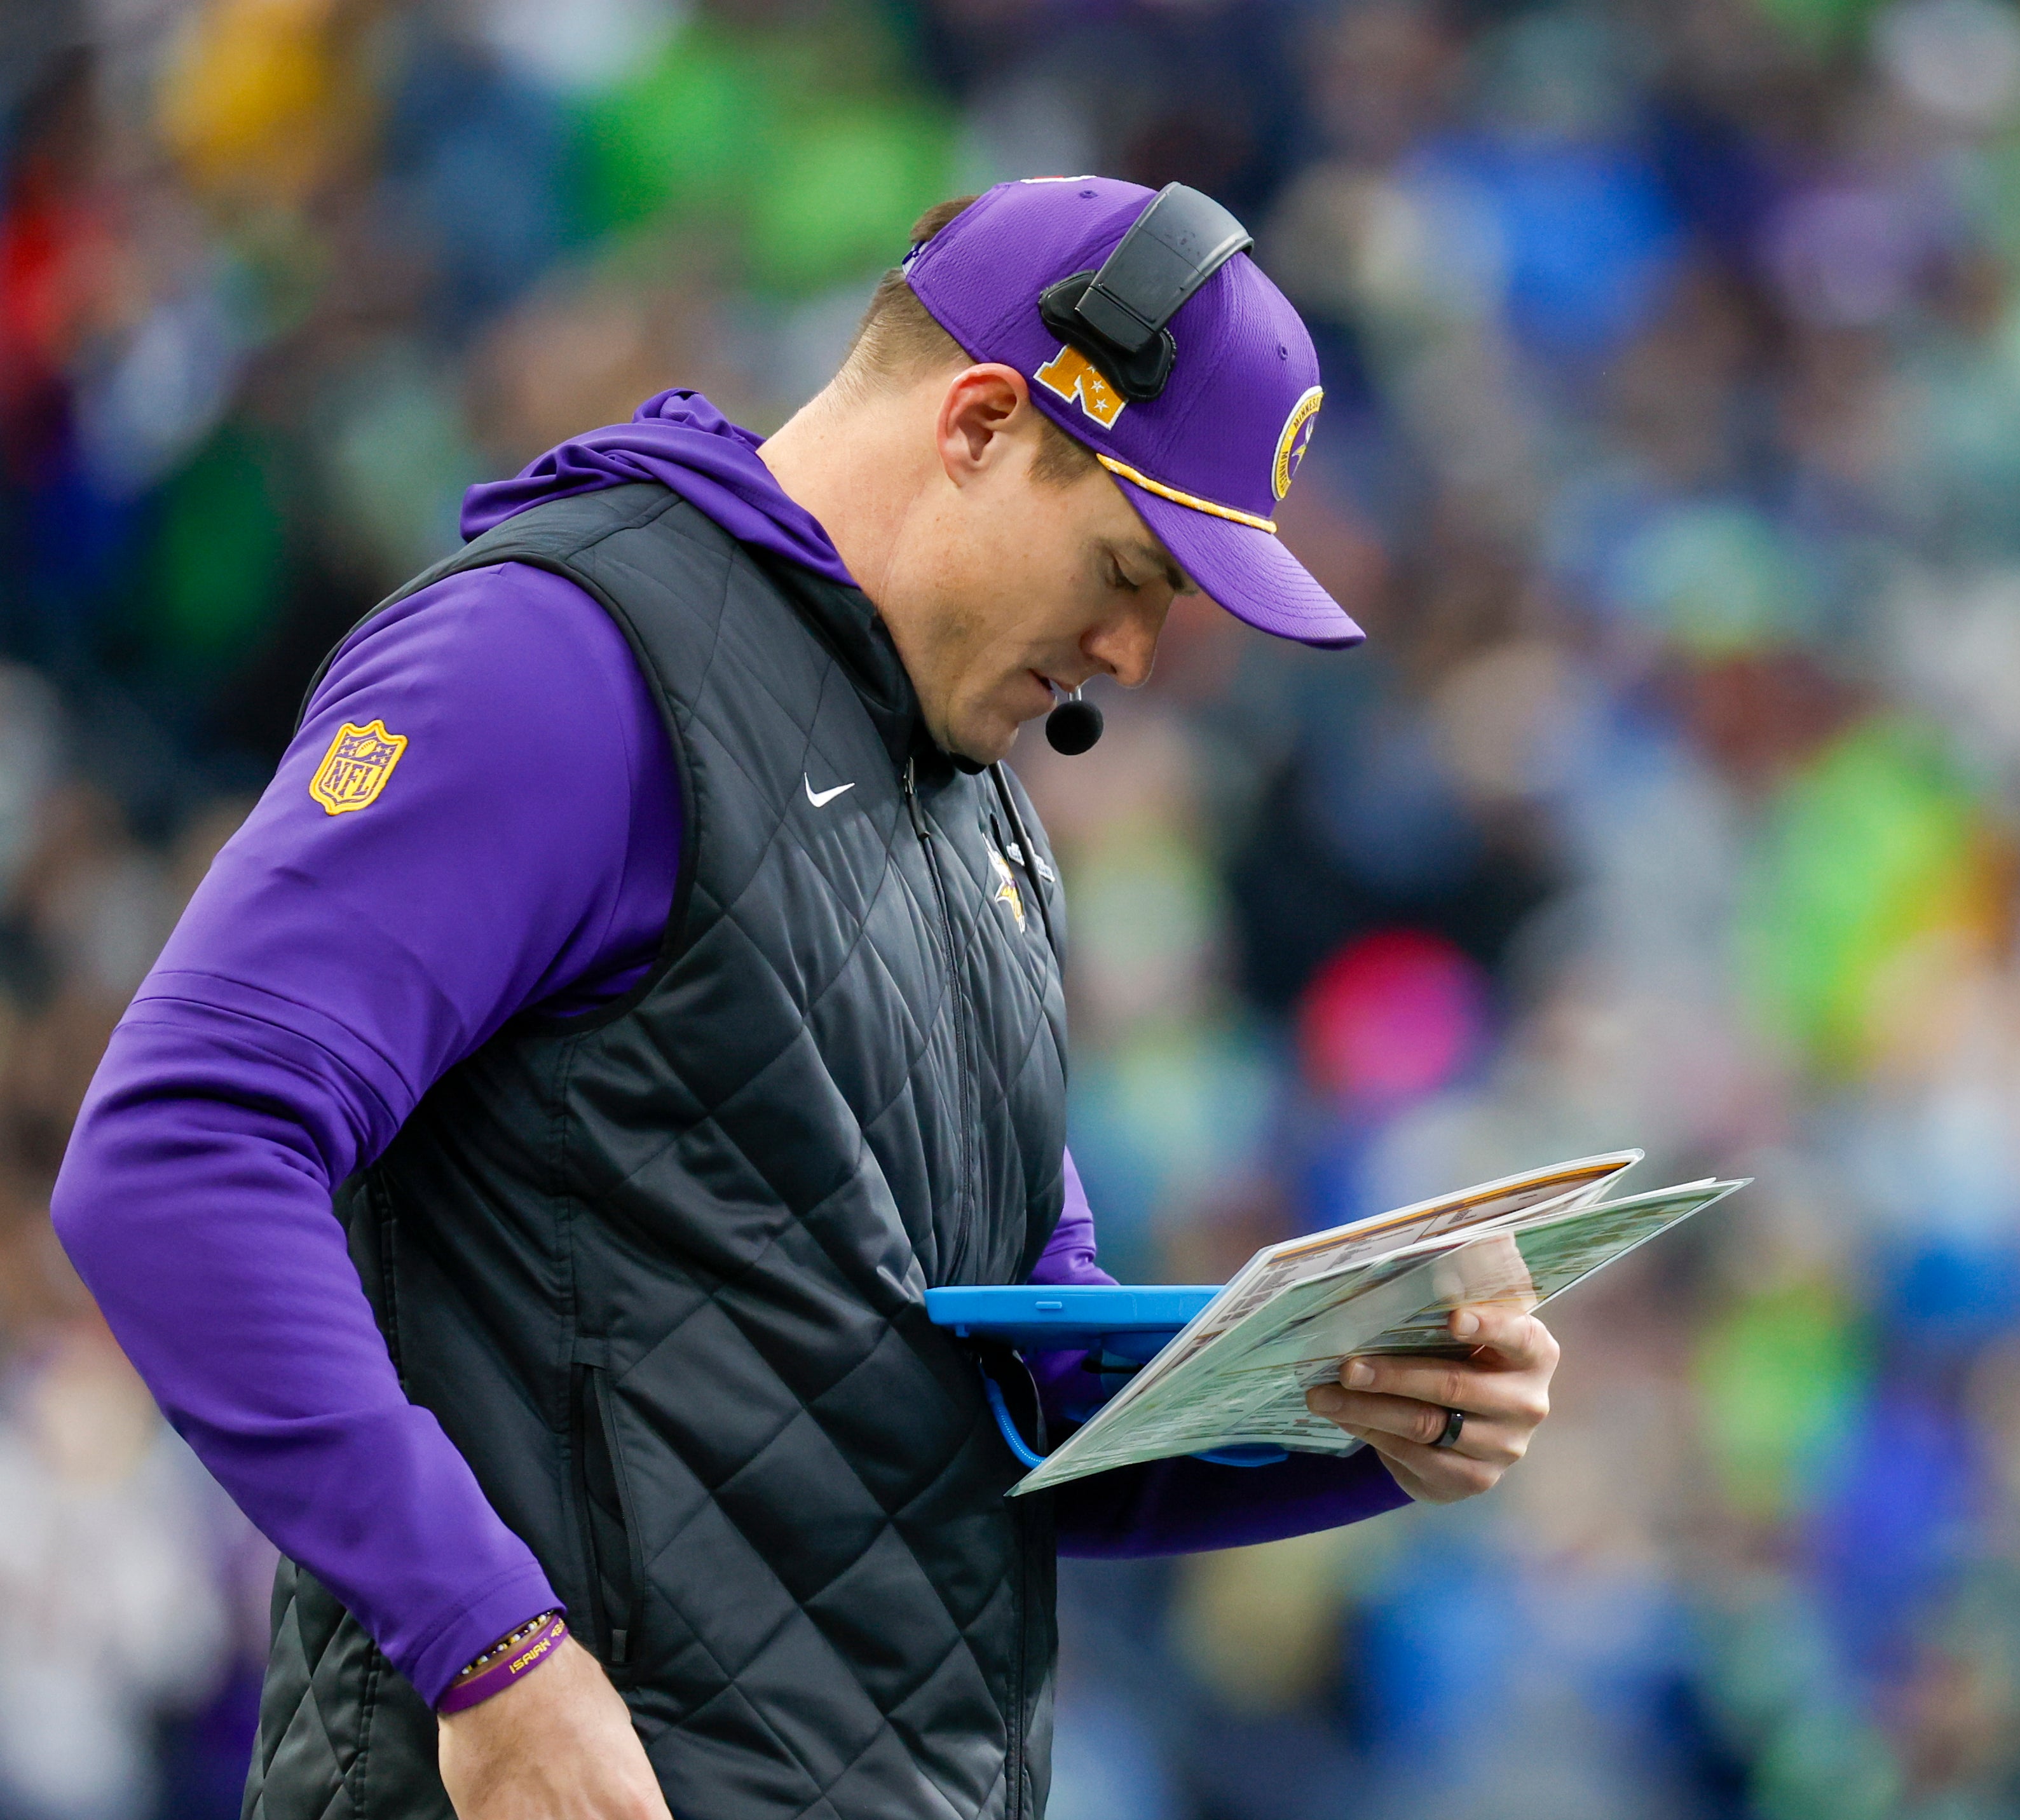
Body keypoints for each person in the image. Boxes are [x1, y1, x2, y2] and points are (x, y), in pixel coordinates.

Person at [50, 179, 1566, 1820]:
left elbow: (994, 1397)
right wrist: (485, 1646)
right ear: (982, 423)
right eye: (1133, 569)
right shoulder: (561, 669)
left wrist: (1357, 1412)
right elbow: (179, 1152)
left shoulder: (973, 813)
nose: (1137, 655)